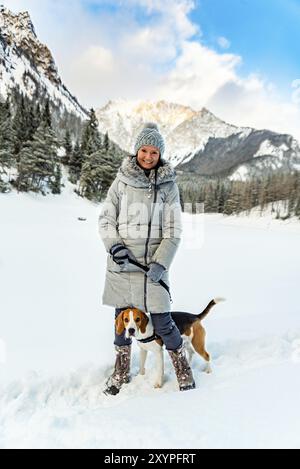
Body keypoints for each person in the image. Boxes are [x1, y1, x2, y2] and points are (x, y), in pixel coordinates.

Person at [99, 122, 195, 395]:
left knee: (163, 322)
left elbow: (174, 230)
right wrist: (114, 246)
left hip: (154, 268)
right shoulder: (120, 182)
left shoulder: (168, 186)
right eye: (144, 150)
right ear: (136, 150)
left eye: (154, 152)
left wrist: (161, 263)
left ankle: (182, 368)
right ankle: (120, 372)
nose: (148, 156)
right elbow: (106, 219)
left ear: (160, 154)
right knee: (121, 321)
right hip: (123, 266)